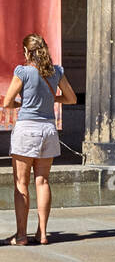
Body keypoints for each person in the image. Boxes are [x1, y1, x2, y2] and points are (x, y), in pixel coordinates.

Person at [3, 33, 76, 245]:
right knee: (42, 181)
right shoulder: (56, 71)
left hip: (27, 129)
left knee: (21, 184)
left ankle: (22, 235)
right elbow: (71, 99)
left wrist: (22, 104)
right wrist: (53, 98)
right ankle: (42, 233)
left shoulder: (23, 72)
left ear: (27, 51)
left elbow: (8, 102)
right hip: (48, 129)